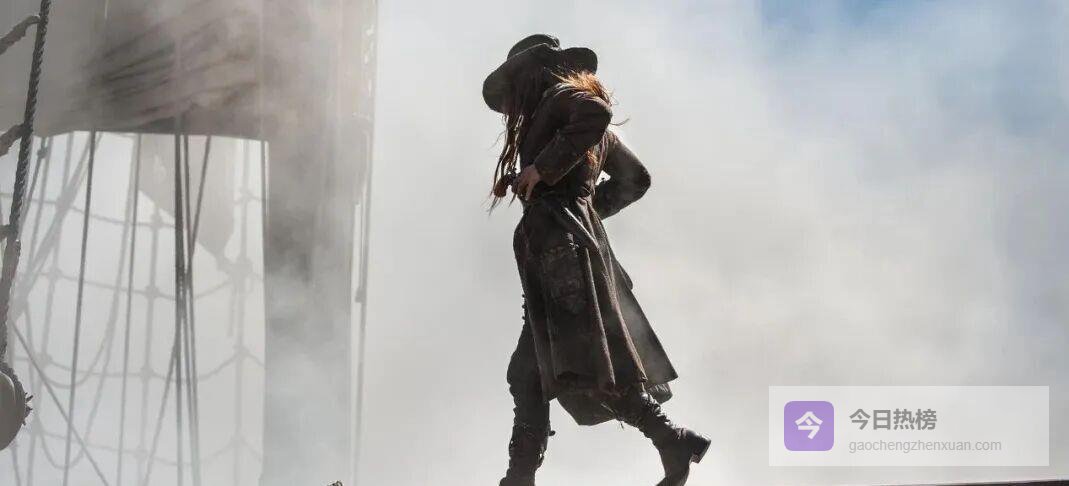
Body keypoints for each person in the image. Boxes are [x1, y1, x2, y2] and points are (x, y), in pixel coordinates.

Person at [483, 34, 710, 486]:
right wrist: (576, 207)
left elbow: (596, 112)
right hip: (560, 257)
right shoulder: (565, 120)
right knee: (531, 372)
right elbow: (635, 179)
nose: (511, 103)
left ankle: (669, 439)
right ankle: (522, 477)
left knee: (578, 366)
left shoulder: (559, 99)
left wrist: (548, 180)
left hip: (562, 259)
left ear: (532, 74)